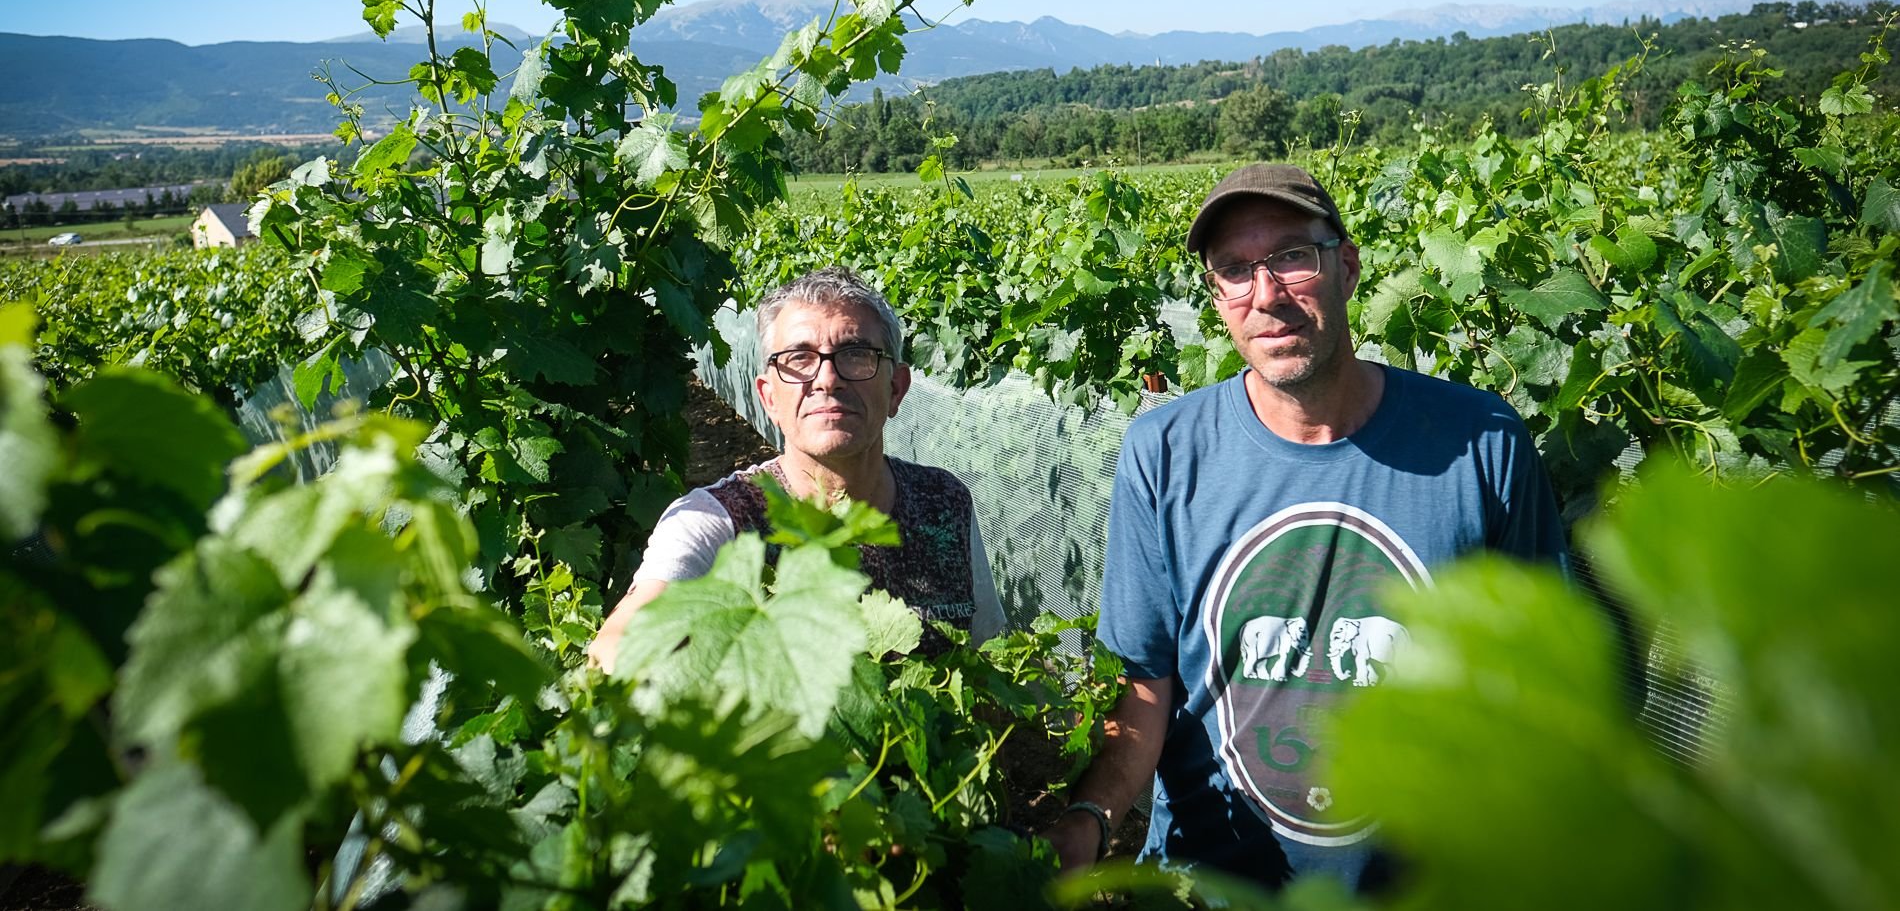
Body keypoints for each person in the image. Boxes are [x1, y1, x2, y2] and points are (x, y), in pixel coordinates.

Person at [1045, 163, 1566, 891]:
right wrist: (1091, 816)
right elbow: (1143, 681)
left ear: (1346, 266)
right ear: (1216, 297)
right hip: (1212, 887)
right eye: (1234, 269)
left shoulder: (1480, 443)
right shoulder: (1163, 452)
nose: (1266, 296)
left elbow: (1540, 678)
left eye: (1291, 256)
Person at [588, 266, 1005, 671]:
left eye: (856, 355)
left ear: (895, 388)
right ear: (769, 398)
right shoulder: (721, 521)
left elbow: (989, 659)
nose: (827, 379)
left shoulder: (943, 501)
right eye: (799, 359)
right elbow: (618, 648)